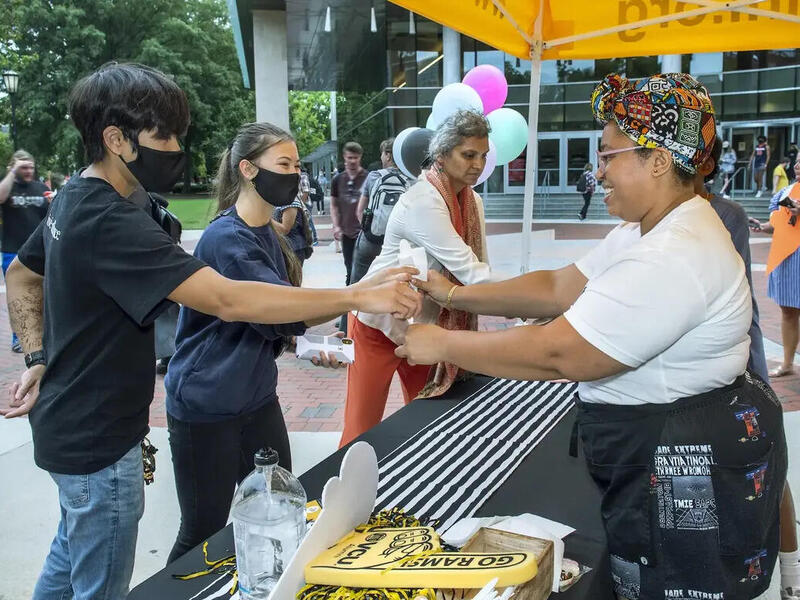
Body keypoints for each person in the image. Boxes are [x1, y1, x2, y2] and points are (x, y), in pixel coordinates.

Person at [0, 62, 421, 600]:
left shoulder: (78, 200)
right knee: (100, 583)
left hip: (81, 425)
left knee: (68, 562)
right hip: (96, 438)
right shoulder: (109, 219)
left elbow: (21, 275)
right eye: (163, 135)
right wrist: (360, 295)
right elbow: (226, 299)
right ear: (115, 138)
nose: (176, 148)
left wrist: (37, 354)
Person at [397, 73, 787, 600]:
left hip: (678, 461)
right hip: (656, 443)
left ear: (658, 160)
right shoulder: (648, 228)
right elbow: (559, 287)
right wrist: (455, 297)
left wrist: (443, 343)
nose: (597, 172)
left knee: (672, 585)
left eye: (608, 156)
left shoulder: (677, 252)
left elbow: (563, 352)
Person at [164, 122, 349, 563]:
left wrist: (306, 344)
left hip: (255, 397)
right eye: (283, 164)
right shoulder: (227, 238)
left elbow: (273, 320)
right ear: (247, 169)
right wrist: (362, 295)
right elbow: (281, 309)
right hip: (205, 405)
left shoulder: (269, 232)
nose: (295, 175)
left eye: (298, 166)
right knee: (202, 533)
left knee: (280, 509)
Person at [340, 109, 495, 447]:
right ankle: (344, 496)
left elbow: (480, 264)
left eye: (483, 155)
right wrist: (534, 305)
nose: (478, 165)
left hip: (426, 328)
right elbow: (473, 275)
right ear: (441, 155)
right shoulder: (423, 202)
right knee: (361, 430)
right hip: (378, 325)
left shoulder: (474, 201)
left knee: (428, 422)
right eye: (468, 155)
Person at [750, 159, 800, 379]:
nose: (798, 166)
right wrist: (762, 227)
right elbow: (777, 223)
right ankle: (788, 363)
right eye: (797, 163)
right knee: (788, 311)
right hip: (786, 257)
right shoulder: (785, 193)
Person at [0, 150, 50, 352]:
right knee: (19, 297)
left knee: (44, 296)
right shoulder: (8, 187)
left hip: (40, 251)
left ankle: (44, 338)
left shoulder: (40, 187)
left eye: (31, 166)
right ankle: (19, 338)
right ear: (14, 168)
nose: (29, 170)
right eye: (24, 167)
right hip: (13, 251)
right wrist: (12, 172)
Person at [350, 137, 412, 284]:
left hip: (371, 240)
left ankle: (354, 306)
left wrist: (367, 230)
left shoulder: (374, 176)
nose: (381, 157)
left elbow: (360, 211)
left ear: (389, 155)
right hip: (399, 244)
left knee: (358, 282)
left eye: (382, 153)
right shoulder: (411, 179)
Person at [330, 142, 367, 285]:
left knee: (363, 270)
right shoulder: (338, 180)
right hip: (347, 233)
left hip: (364, 234)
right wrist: (336, 226)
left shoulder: (368, 178)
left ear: (360, 157)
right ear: (344, 157)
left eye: (355, 157)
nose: (352, 161)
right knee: (349, 268)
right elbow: (334, 205)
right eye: (350, 157)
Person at [272, 169, 314, 265]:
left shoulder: (290, 200)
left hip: (293, 249)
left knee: (290, 279)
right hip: (285, 248)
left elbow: (285, 229)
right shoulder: (278, 197)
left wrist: (265, 218)